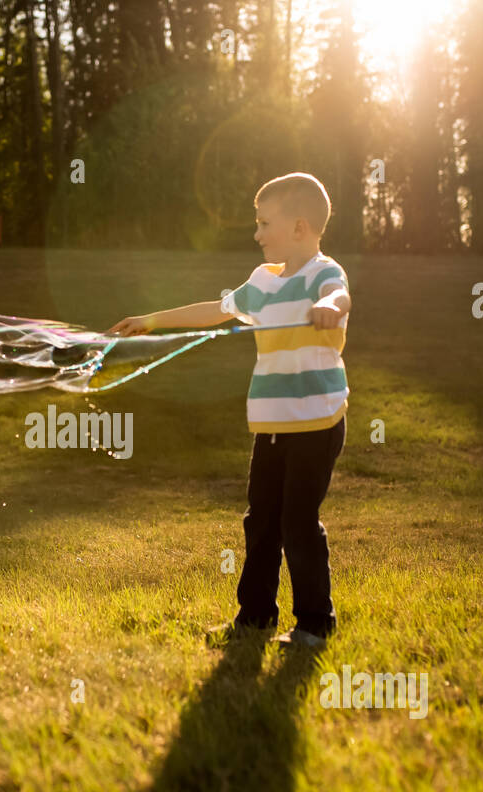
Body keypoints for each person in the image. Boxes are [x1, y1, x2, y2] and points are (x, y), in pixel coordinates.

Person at [108, 172, 350, 649]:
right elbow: (215, 310)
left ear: (300, 227)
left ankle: (314, 625)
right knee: (260, 520)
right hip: (273, 424)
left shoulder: (325, 274)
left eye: (264, 224)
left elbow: (341, 294)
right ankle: (255, 616)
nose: (257, 234)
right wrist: (151, 320)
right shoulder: (261, 282)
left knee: (297, 522)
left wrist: (329, 306)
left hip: (317, 422)